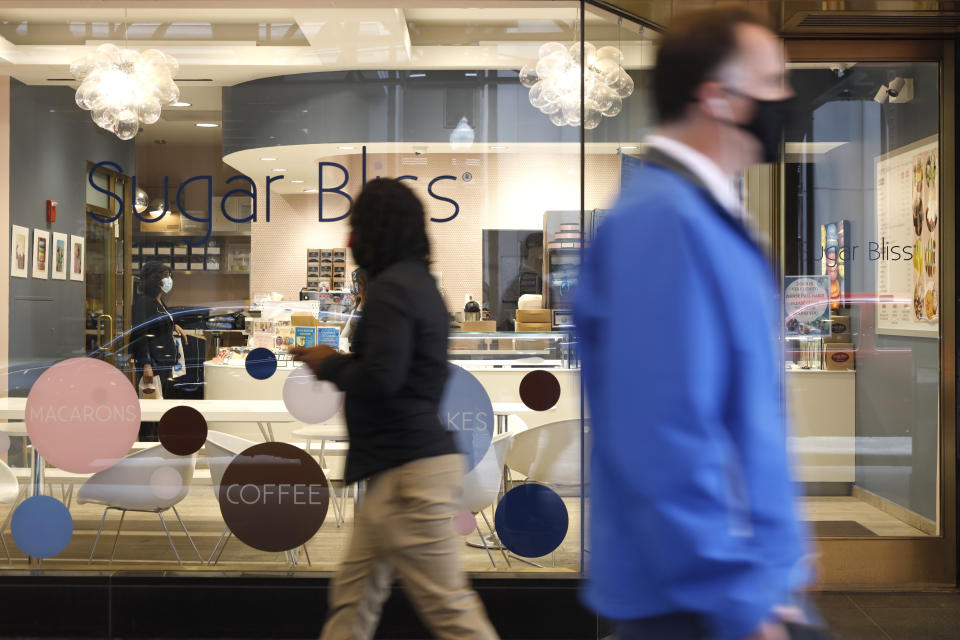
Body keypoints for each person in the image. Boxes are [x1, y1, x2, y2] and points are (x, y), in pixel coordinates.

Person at [575, 8, 818, 640]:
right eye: (773, 80)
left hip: (740, 589)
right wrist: (738, 596)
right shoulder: (664, 225)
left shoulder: (702, 216)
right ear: (718, 97)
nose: (787, 98)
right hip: (697, 602)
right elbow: (665, 433)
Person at [290, 178, 498, 640]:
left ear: (376, 230)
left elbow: (381, 377)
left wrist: (329, 363)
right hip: (400, 468)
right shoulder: (420, 285)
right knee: (354, 597)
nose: (348, 240)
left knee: (449, 609)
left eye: (356, 227)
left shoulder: (391, 289)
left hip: (408, 474)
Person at [130, 260, 189, 440]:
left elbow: (159, 323)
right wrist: (146, 363)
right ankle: (148, 447)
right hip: (153, 365)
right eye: (165, 276)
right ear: (155, 279)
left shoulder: (158, 301)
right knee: (151, 411)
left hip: (163, 364)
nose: (168, 279)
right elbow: (141, 334)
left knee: (160, 410)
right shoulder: (144, 302)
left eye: (169, 275)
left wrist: (173, 325)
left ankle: (158, 445)